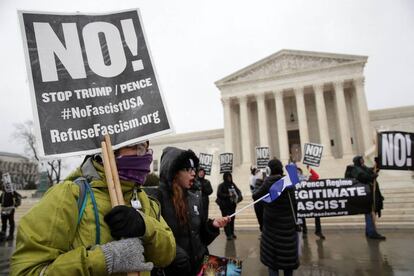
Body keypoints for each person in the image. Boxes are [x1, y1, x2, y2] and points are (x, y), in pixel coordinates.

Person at [11, 141, 176, 275]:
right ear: (111, 148)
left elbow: (167, 255)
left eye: (145, 147)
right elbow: (27, 270)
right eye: (136, 147)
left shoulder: (144, 200)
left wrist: (145, 227)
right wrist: (104, 259)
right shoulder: (69, 195)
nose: (145, 155)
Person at [156, 147, 229, 275]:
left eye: (193, 169)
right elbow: (155, 243)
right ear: (174, 172)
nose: (193, 173)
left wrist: (212, 226)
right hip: (176, 271)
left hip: (202, 266)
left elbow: (201, 238)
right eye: (187, 169)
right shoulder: (157, 200)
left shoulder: (195, 198)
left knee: (232, 271)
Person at [253, 158, 299, 276]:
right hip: (288, 229)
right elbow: (295, 204)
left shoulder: (268, 183)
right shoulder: (289, 184)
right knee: (288, 265)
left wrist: (259, 180)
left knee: (273, 266)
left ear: (269, 170)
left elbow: (256, 197)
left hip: (271, 231)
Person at [347, 155, 386, 240]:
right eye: (361, 160)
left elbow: (373, 170)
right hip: (365, 194)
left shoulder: (363, 168)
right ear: (357, 161)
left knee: (370, 212)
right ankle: (372, 232)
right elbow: (362, 177)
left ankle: (369, 231)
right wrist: (372, 177)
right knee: (369, 211)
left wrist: (377, 163)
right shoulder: (355, 169)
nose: (363, 161)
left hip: (370, 193)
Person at [297, 166, 325, 239]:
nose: (297, 173)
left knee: (317, 215)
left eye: (298, 171)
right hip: (301, 201)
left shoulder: (307, 178)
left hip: (311, 200)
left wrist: (309, 168)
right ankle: (304, 232)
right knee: (302, 216)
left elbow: (316, 176)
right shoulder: (294, 180)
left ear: (301, 172)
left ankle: (318, 231)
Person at [216, 172, 243, 240]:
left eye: (230, 177)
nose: (229, 178)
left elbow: (238, 191)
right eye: (228, 177)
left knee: (232, 220)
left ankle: (232, 233)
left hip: (232, 206)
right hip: (224, 206)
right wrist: (228, 195)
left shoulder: (232, 184)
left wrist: (239, 196)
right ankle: (228, 234)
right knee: (226, 220)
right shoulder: (221, 185)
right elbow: (219, 194)